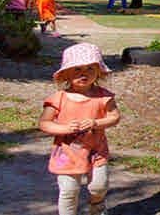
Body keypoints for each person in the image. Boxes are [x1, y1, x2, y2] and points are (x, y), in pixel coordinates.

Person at [38, 43, 120, 215]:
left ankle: (96, 207)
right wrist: (65, 128)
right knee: (69, 191)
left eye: (90, 68)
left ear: (98, 71)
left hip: (96, 152)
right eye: (77, 69)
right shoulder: (58, 99)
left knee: (99, 186)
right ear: (65, 74)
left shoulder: (104, 96)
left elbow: (115, 117)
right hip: (67, 153)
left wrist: (96, 123)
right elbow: (44, 123)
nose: (84, 73)